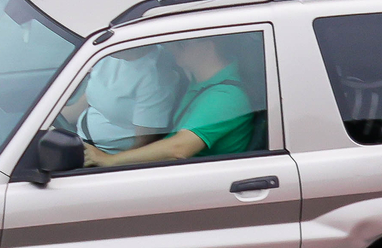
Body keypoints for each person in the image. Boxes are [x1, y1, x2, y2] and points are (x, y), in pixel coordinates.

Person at [80, 35, 259, 168]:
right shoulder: (199, 80)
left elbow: (179, 148)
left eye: (180, 43)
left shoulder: (225, 96)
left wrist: (108, 160)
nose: (169, 47)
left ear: (208, 45)